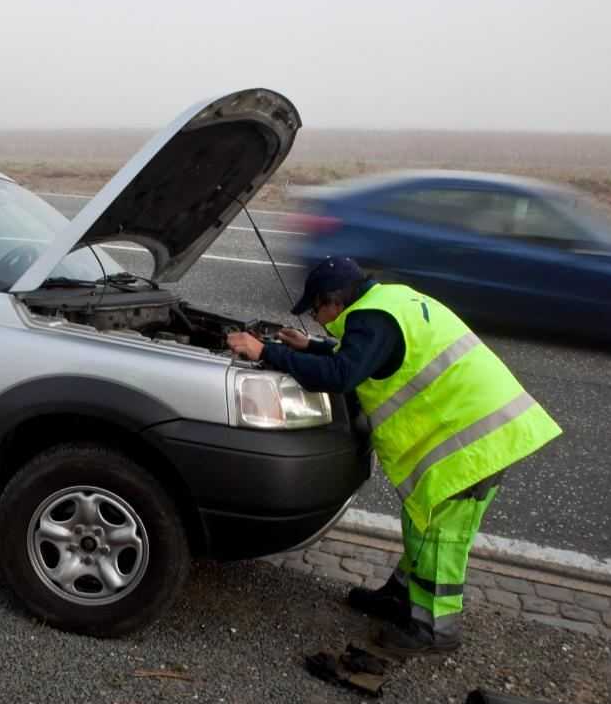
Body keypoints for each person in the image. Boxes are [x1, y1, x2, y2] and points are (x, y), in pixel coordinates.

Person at [226, 257, 561, 655]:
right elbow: (373, 354)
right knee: (421, 521)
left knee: (441, 535)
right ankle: (401, 597)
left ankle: (435, 629)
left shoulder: (370, 319)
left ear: (333, 300)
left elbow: (340, 375)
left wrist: (265, 350)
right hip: (484, 428)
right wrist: (312, 345)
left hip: (473, 441)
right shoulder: (390, 301)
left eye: (315, 311)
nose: (316, 319)